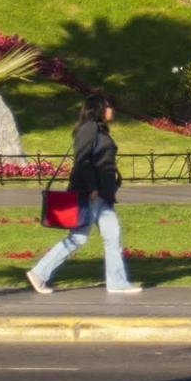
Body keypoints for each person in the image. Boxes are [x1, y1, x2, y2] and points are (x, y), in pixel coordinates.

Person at [27, 94, 143, 294]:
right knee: (82, 237)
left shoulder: (97, 129)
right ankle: (39, 273)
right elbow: (82, 159)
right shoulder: (89, 128)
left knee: (107, 235)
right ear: (98, 108)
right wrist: (92, 188)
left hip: (100, 194)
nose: (111, 110)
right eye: (108, 106)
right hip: (90, 193)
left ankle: (116, 282)